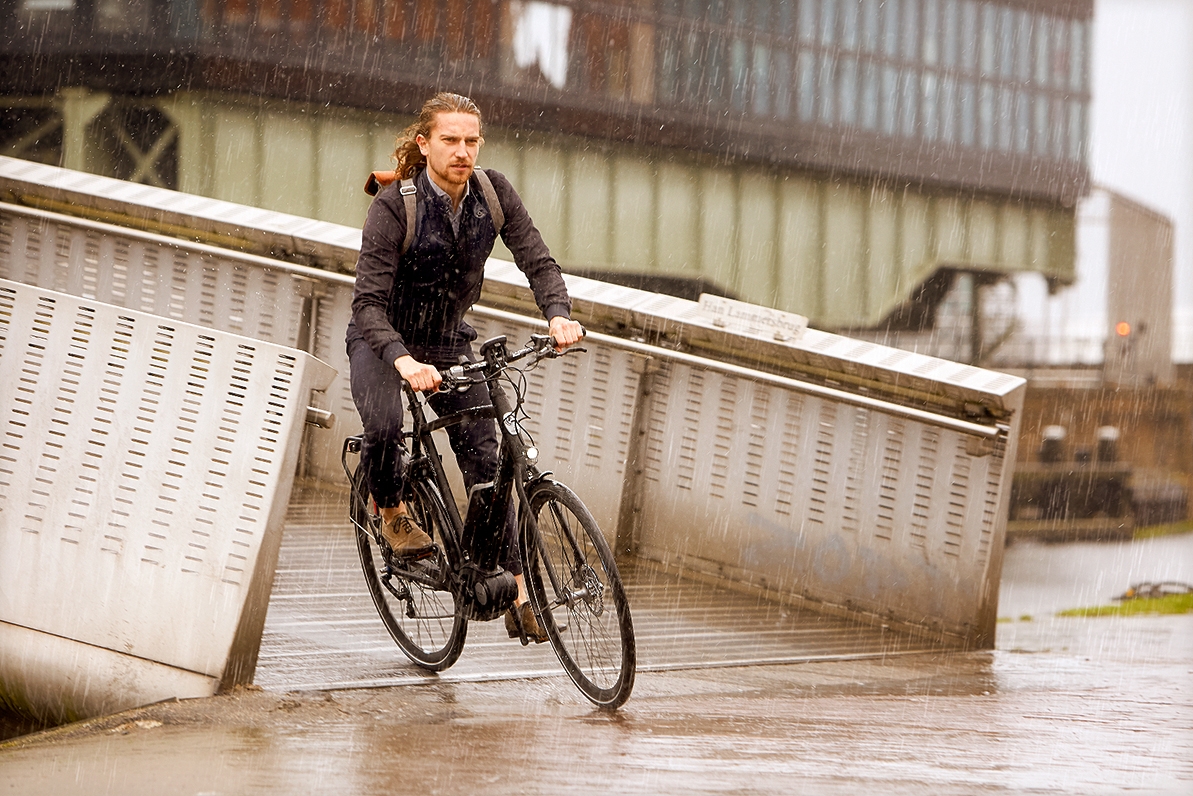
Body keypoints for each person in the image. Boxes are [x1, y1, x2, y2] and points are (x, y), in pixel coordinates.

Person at [346, 92, 583, 644]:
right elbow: (367, 304)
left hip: (448, 341)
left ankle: (516, 591)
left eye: (470, 140)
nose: (462, 151)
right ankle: (392, 508)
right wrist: (403, 359)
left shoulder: (494, 194)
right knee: (383, 425)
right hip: (384, 340)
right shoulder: (393, 204)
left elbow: (536, 259)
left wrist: (559, 315)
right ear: (424, 143)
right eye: (449, 140)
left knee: (490, 458)